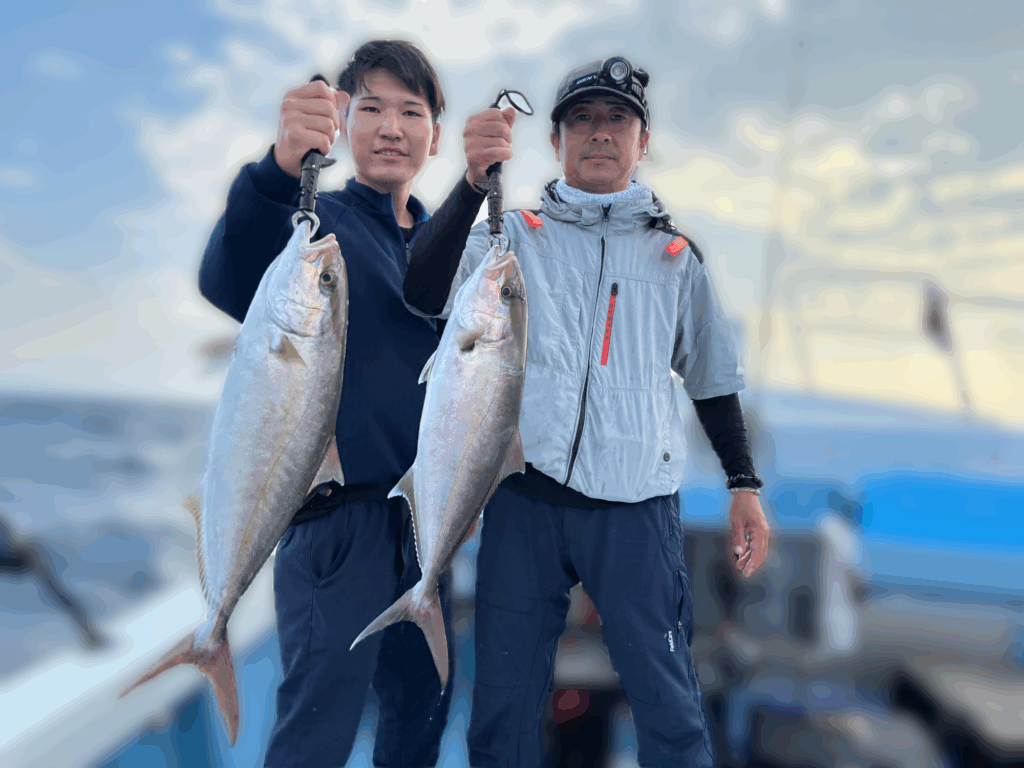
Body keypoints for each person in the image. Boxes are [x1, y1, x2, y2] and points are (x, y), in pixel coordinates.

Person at [403, 57, 772, 767]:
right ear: (557, 140)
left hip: (637, 510)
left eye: (616, 119)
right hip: (524, 499)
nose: (599, 132)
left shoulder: (675, 255)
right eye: (582, 120)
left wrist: (744, 484)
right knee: (502, 711)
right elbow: (422, 290)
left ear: (643, 141)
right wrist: (472, 183)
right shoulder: (510, 236)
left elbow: (713, 379)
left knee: (669, 706)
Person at [198, 40, 459, 768]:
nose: (391, 128)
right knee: (316, 736)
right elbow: (228, 276)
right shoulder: (321, 226)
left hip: (423, 531)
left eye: (411, 111)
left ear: (435, 135)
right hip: (336, 530)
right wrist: (280, 169)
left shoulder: (451, 248)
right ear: (345, 123)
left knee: (420, 724)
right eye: (371, 108)